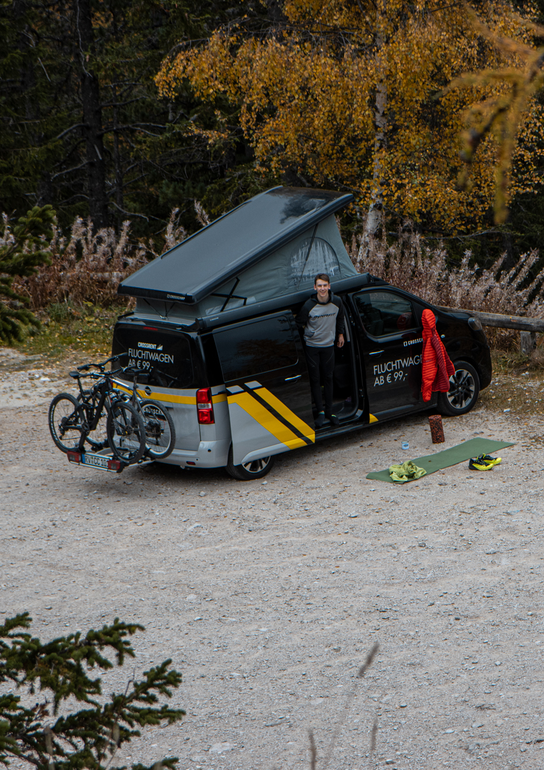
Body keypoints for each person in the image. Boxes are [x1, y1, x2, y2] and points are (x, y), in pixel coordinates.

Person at [297, 273, 345, 428]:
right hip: (312, 347)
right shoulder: (308, 305)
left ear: (329, 286)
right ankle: (320, 412)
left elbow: (340, 317)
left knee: (329, 378)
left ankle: (330, 411)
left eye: (325, 285)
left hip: (328, 346)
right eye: (319, 286)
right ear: (315, 287)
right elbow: (299, 323)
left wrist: (340, 334)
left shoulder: (337, 302)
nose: (322, 288)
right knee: (316, 380)